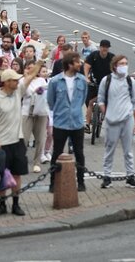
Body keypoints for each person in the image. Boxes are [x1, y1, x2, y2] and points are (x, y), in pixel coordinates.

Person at [0, 61, 44, 217]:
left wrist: (39, 62)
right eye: (14, 80)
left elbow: (31, 76)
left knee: (16, 174)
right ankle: (1, 204)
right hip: (2, 143)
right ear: (6, 82)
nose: (17, 81)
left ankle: (16, 204)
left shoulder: (18, 91)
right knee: (1, 174)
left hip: (17, 141)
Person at [97, 55, 135, 189]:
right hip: (112, 120)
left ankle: (130, 176)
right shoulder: (107, 80)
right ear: (115, 66)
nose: (124, 66)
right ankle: (107, 176)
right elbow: (101, 99)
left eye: (126, 63)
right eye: (121, 63)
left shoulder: (130, 81)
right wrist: (106, 112)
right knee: (109, 149)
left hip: (127, 119)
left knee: (128, 150)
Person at [47, 52, 88, 193]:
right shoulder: (55, 81)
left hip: (76, 123)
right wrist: (60, 112)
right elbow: (51, 101)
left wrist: (75, 110)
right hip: (61, 122)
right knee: (57, 153)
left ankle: (81, 182)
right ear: (70, 64)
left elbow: (82, 99)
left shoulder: (82, 80)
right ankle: (53, 183)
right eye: (77, 62)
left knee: (79, 152)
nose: (80, 64)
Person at [83, 40, 114, 132]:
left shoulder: (112, 57)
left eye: (106, 47)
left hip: (108, 83)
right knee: (89, 102)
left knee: (110, 102)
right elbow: (86, 67)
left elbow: (116, 69)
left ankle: (109, 123)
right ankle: (88, 124)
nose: (104, 49)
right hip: (95, 82)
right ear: (100, 47)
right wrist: (86, 78)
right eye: (103, 46)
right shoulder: (94, 56)